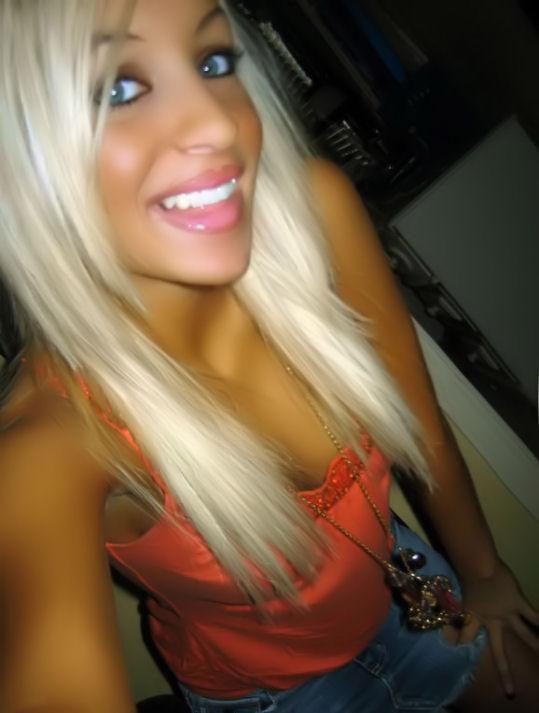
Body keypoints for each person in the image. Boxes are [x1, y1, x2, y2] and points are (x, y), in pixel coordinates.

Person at [0, 1, 537, 712]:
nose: (220, 124)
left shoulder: (312, 214)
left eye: (212, 61)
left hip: (409, 592)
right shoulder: (48, 443)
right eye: (118, 89)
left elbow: (420, 422)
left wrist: (485, 572)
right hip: (268, 698)